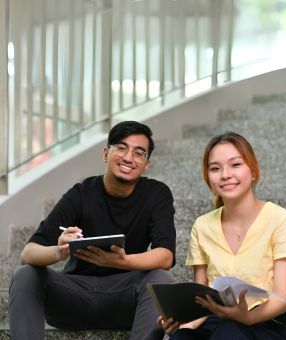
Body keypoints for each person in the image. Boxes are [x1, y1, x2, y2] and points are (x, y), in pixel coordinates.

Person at [9, 121, 176, 340]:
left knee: (160, 278)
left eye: (138, 153)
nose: (128, 158)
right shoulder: (81, 193)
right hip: (74, 297)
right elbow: (28, 253)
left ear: (146, 164)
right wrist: (59, 251)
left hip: (125, 300)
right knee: (26, 275)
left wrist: (121, 262)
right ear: (106, 153)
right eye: (121, 148)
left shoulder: (157, 194)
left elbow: (165, 256)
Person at [158, 131, 286, 340]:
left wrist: (246, 318)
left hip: (266, 324)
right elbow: (201, 298)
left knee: (229, 333)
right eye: (215, 168)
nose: (225, 174)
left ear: (253, 171)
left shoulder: (281, 219)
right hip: (216, 320)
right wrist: (183, 321)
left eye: (235, 165)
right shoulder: (202, 226)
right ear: (208, 177)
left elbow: (282, 298)